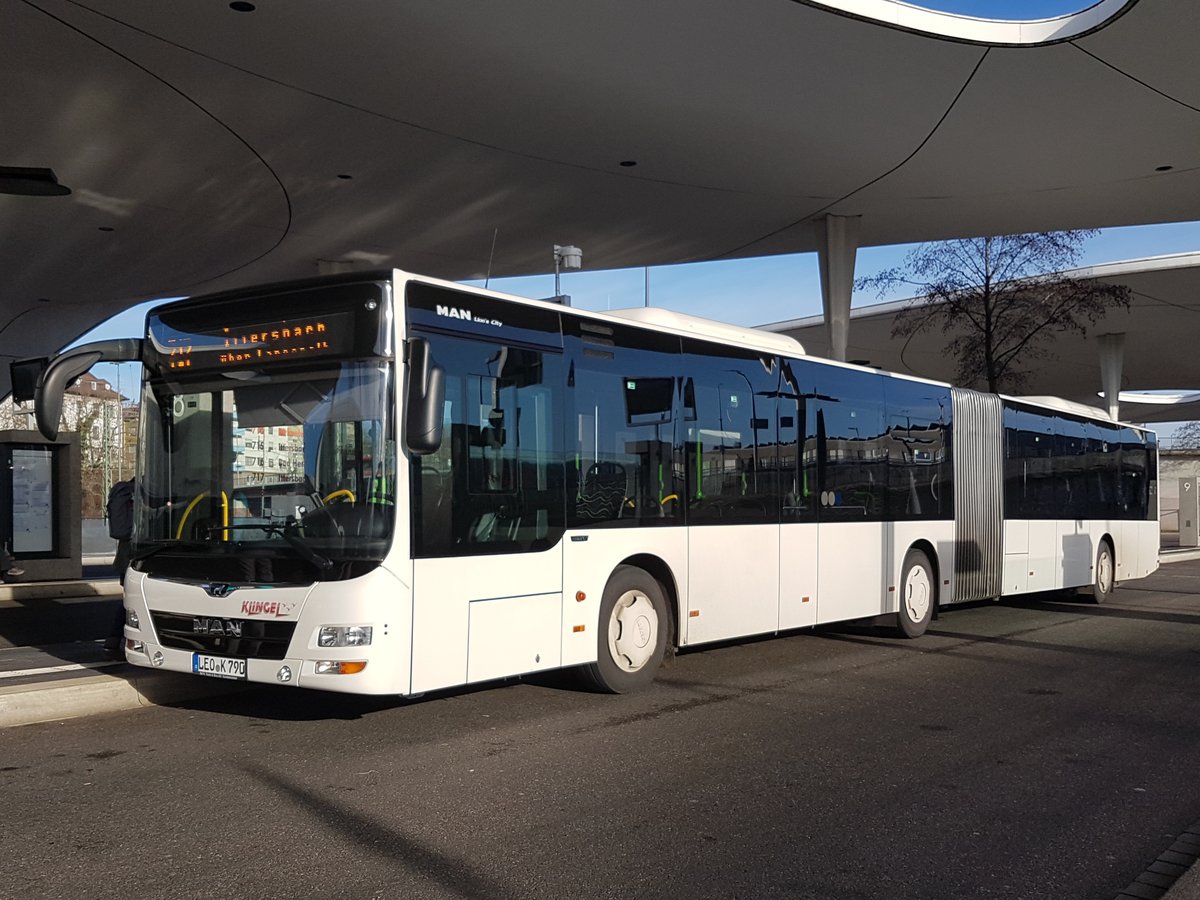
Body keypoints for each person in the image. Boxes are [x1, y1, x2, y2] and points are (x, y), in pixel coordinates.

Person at [103, 478, 134, 658]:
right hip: (136, 555)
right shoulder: (145, 494)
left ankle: (113, 639)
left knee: (127, 598)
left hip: (125, 556)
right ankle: (116, 637)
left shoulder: (126, 490)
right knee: (131, 600)